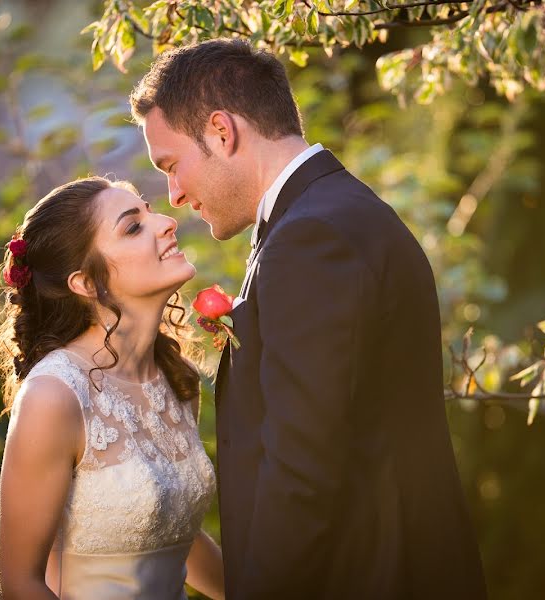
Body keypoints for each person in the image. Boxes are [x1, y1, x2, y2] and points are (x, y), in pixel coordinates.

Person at [131, 39, 488, 599]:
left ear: (222, 133)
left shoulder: (312, 238)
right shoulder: (328, 215)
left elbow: (303, 469)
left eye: (171, 165)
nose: (173, 194)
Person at [0, 177, 224, 600]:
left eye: (150, 211)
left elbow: (176, 540)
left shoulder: (178, 379)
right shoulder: (55, 396)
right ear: (85, 283)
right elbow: (19, 584)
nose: (168, 222)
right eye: (133, 227)